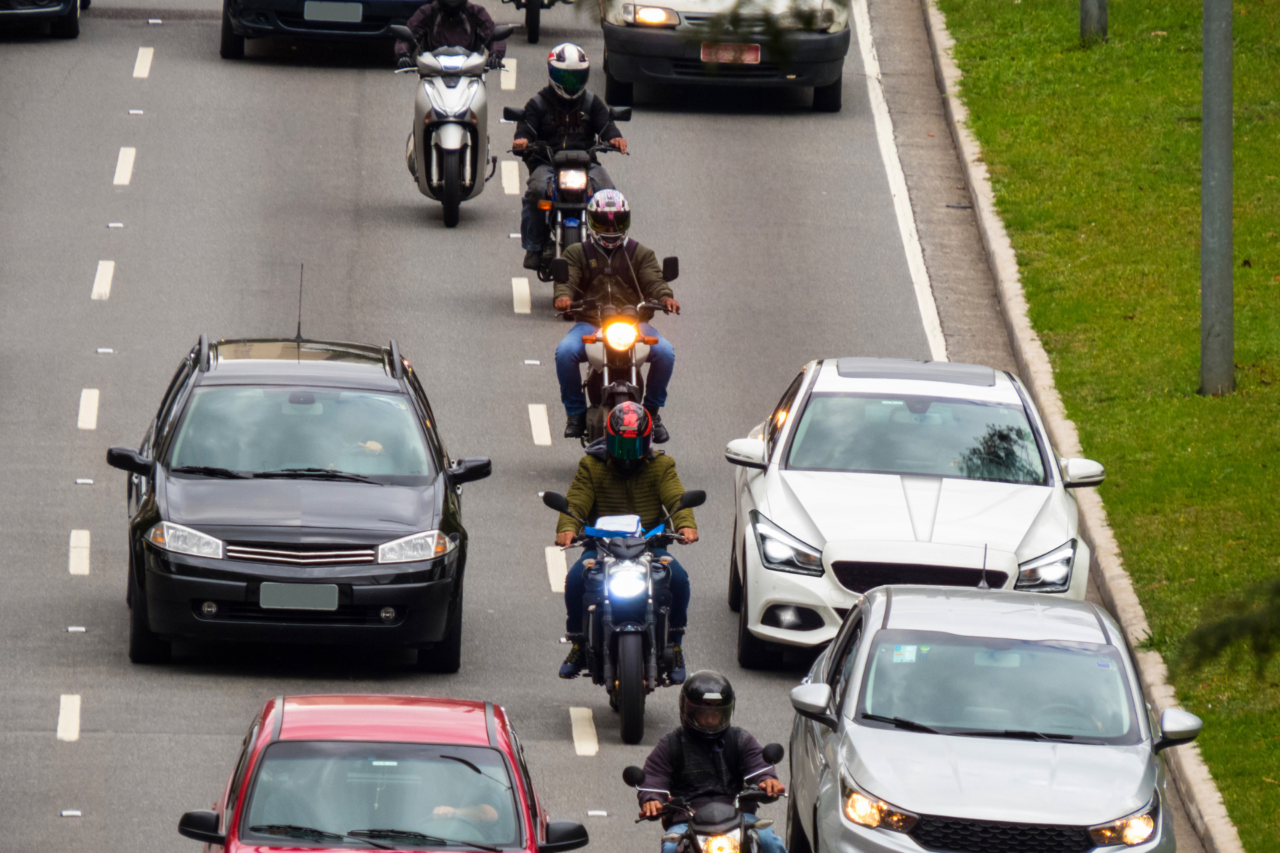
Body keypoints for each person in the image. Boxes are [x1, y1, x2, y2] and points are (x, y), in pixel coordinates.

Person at [555, 402, 695, 682]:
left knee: (677, 578)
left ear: (647, 442)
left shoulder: (662, 466)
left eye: (635, 446)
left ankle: (675, 643)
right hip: (602, 547)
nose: (628, 455)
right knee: (575, 579)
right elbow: (577, 500)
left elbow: (676, 496)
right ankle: (579, 643)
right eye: (622, 445)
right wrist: (568, 528)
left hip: (650, 547)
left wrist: (685, 524)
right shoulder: (591, 466)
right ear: (609, 440)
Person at [554, 190, 678, 442]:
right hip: (591, 324)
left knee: (666, 352)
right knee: (564, 352)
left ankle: (653, 413)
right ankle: (575, 413)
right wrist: (564, 297)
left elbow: (654, 281)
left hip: (634, 324)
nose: (611, 227)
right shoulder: (577, 252)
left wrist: (665, 297)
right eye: (603, 221)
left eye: (617, 221)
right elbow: (566, 282)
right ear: (590, 221)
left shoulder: (640, 253)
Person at [637, 672, 788, 853]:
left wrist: (767, 780)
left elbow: (758, 763)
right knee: (670, 847)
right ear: (687, 710)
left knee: (770, 841)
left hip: (738, 817)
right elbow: (654, 777)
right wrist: (652, 799)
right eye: (703, 713)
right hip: (687, 820)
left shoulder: (740, 740)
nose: (710, 719)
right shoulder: (671, 745)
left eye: (716, 713)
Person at [512, 43, 628, 270]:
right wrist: (522, 141)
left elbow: (606, 125)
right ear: (552, 73)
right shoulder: (537, 104)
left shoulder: (591, 103)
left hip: (586, 164)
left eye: (576, 77)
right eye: (565, 76)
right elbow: (525, 127)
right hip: (548, 164)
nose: (570, 82)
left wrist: (615, 138)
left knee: (609, 193)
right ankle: (533, 246)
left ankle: (610, 246)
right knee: (536, 191)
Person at [393, 0, 506, 69]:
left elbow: (493, 35)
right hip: (433, 74)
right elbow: (407, 36)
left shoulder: (476, 12)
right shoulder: (427, 12)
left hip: (470, 74)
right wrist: (404, 55)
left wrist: (495, 55)